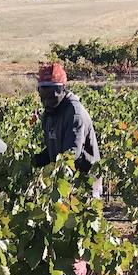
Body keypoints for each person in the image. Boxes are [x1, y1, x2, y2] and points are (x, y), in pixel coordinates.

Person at [32, 62, 100, 192]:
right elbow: (55, 150)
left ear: (63, 89)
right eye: (43, 96)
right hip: (64, 181)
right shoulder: (50, 112)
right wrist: (33, 162)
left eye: (52, 95)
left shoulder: (75, 114)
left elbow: (70, 156)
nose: (46, 102)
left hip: (84, 184)